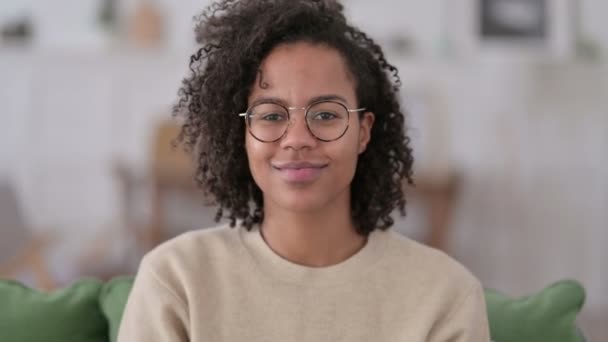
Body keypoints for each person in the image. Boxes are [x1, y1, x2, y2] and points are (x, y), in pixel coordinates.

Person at [117, 0, 490, 341]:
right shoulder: (177, 280)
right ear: (243, 133)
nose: (297, 139)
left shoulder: (445, 295)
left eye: (326, 114)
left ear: (363, 132)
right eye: (272, 115)